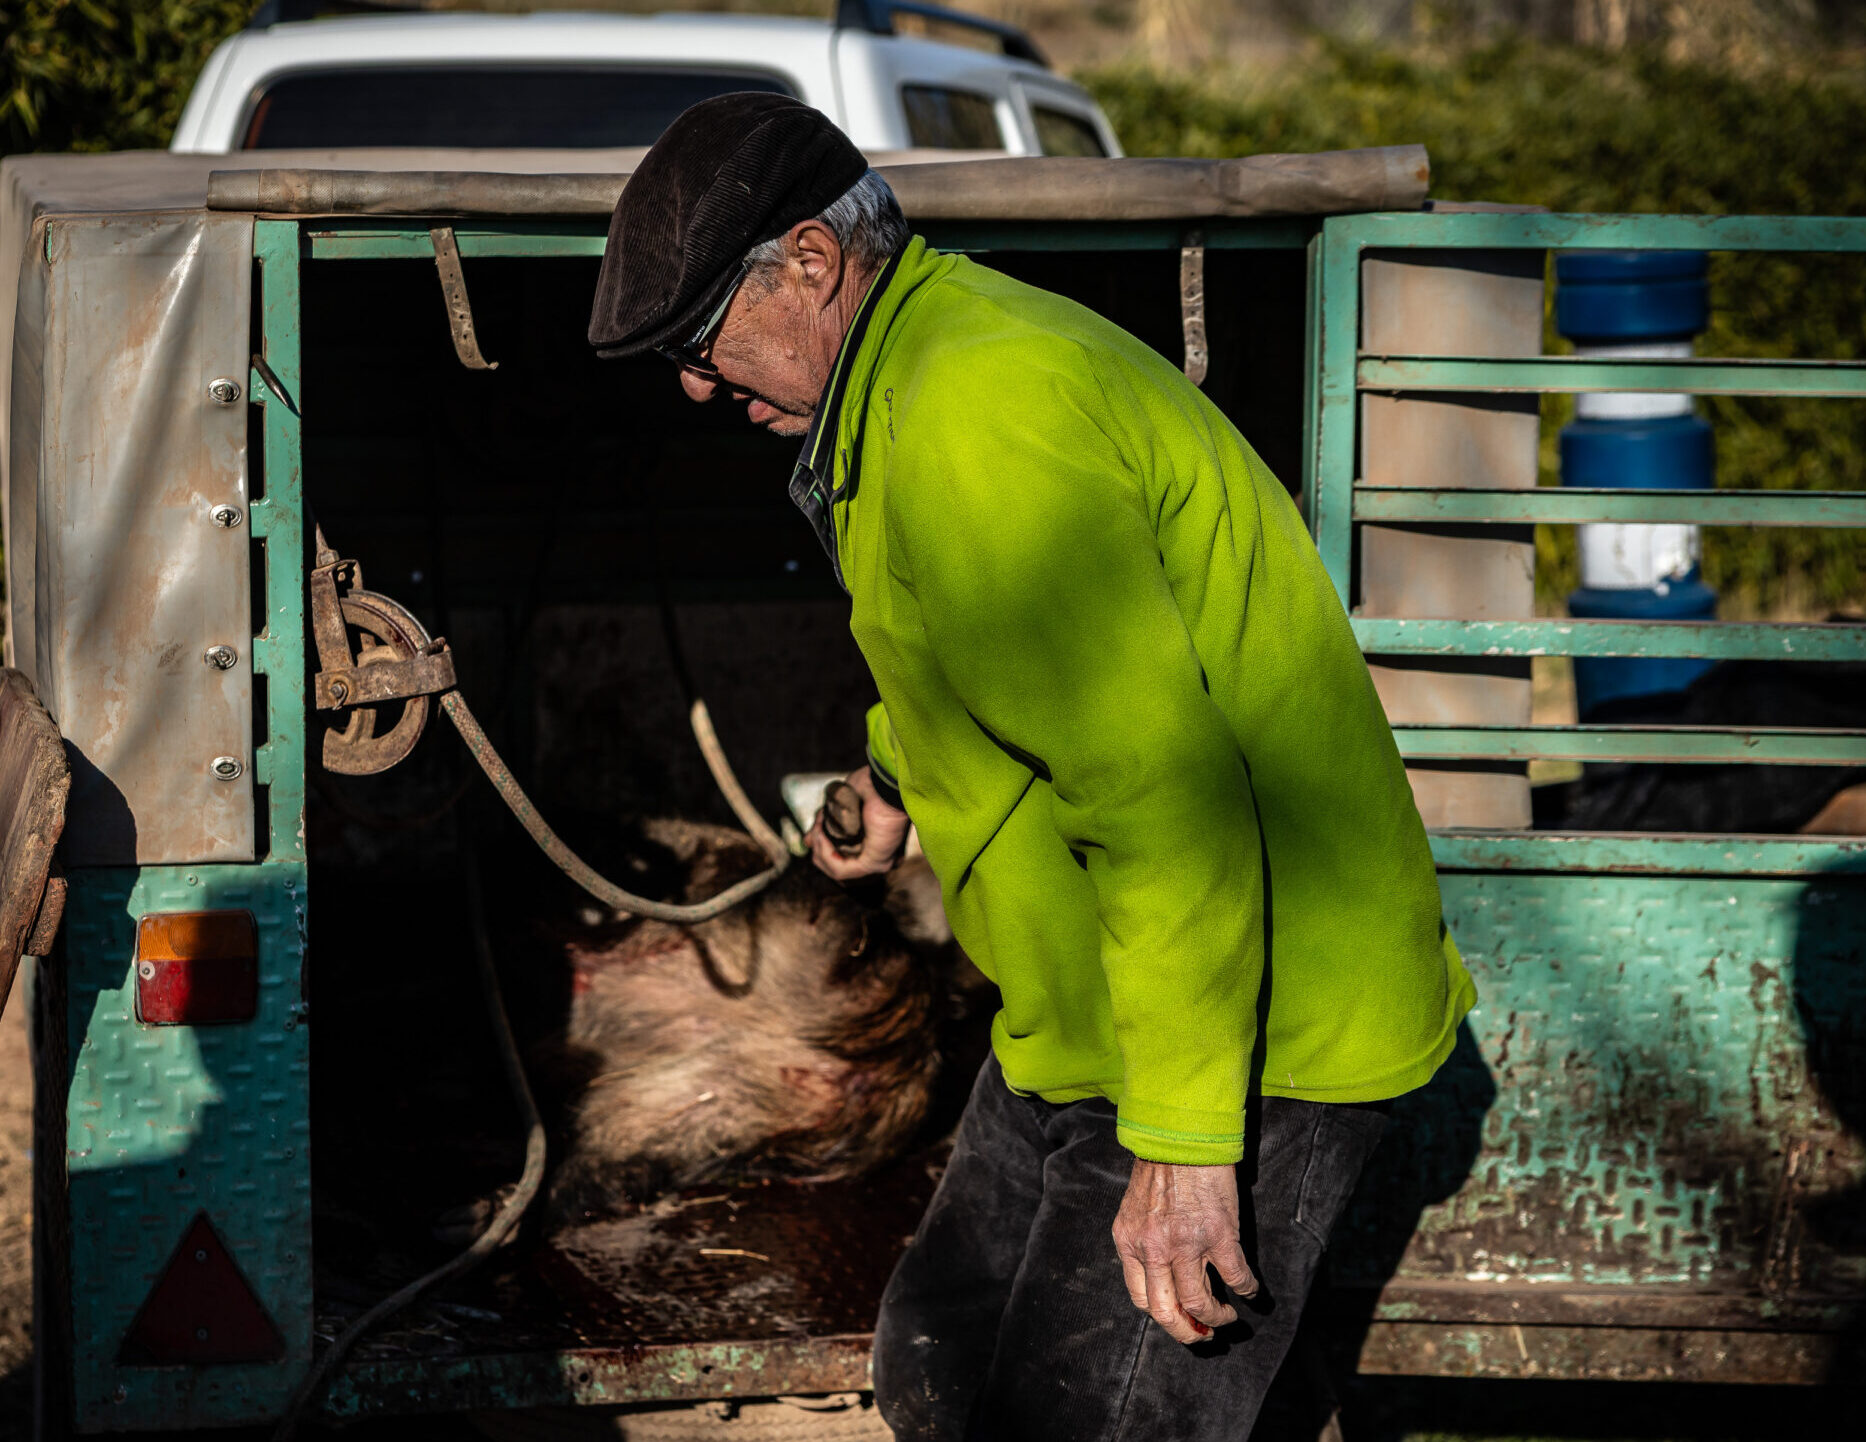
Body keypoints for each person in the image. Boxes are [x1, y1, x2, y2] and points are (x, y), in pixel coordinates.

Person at [586, 94, 1475, 1440]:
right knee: (933, 1368)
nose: (698, 386)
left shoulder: (977, 418)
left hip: (1244, 1031)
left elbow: (1166, 802)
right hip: (1092, 1005)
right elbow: (978, 658)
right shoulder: (909, 387)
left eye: (703, 338)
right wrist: (890, 785)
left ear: (814, 264)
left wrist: (1186, 1143)